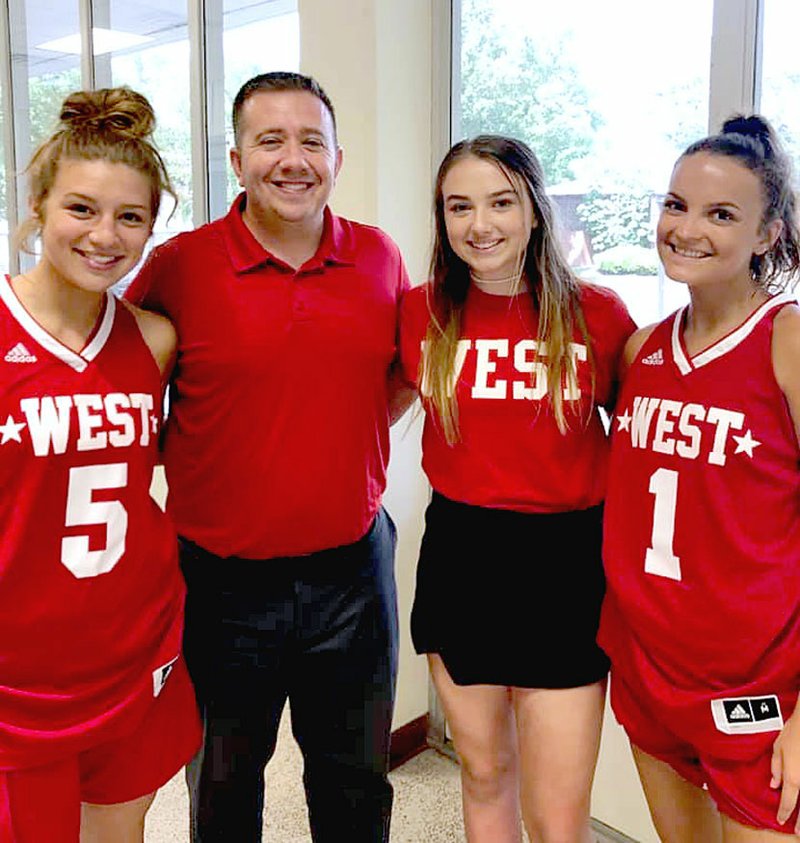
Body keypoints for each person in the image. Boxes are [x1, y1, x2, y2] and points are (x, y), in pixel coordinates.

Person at [124, 71, 410, 842]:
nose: (293, 159)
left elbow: (401, 376)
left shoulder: (380, 259)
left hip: (353, 575)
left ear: (338, 158)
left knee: (354, 782)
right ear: (237, 156)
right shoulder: (180, 267)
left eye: (311, 140)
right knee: (222, 783)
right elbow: (120, 386)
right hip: (219, 583)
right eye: (271, 140)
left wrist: (334, 442)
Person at [398, 135, 635, 842]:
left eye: (501, 202)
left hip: (565, 565)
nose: (481, 223)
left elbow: (648, 446)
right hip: (462, 557)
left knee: (558, 815)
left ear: (534, 210)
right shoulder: (421, 313)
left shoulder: (598, 313)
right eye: (459, 206)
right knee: (483, 773)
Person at [0, 87, 201, 842]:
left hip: (134, 651)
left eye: (130, 217)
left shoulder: (153, 340)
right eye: (80, 209)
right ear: (39, 208)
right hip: (19, 675)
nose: (103, 236)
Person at [599, 115, 800, 841]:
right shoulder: (641, 349)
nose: (686, 228)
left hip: (757, 687)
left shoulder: (786, 341)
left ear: (768, 232)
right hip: (651, 671)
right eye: (676, 205)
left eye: (721, 213)